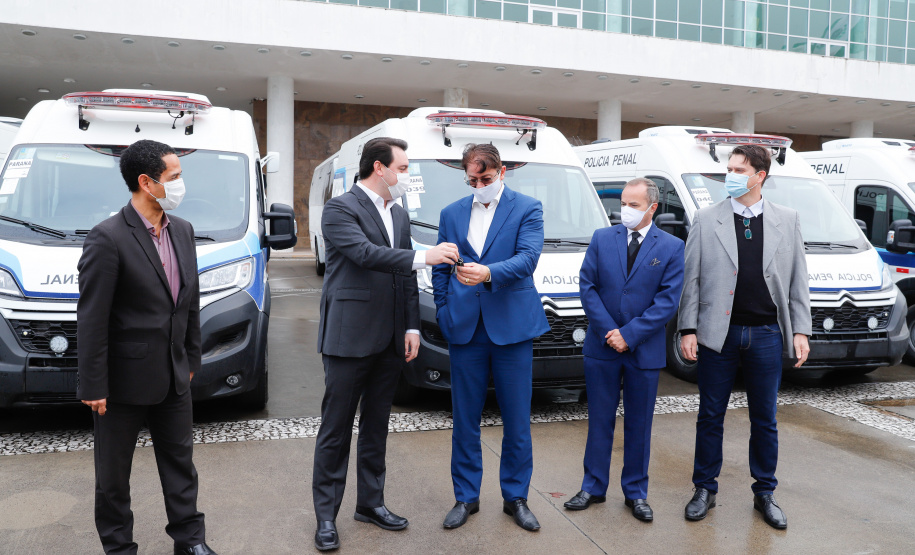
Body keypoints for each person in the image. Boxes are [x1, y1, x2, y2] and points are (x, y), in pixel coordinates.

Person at [312, 137, 459, 551]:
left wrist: (412, 326)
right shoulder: (341, 208)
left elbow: (405, 276)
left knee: (376, 427)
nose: (406, 176)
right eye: (404, 168)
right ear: (379, 168)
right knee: (336, 430)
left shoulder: (398, 213)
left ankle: (371, 504)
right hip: (349, 337)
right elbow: (363, 253)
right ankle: (326, 516)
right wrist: (425, 257)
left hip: (392, 338)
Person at [77, 139, 217, 555]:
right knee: (114, 476)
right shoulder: (108, 238)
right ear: (146, 182)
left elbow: (188, 303)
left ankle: (190, 541)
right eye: (174, 177)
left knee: (180, 466)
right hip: (121, 384)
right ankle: (119, 548)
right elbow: (92, 318)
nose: (180, 184)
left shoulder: (184, 231)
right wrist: (93, 385)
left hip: (174, 376)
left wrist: (191, 358)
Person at [678, 144, 811, 530]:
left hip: (767, 334)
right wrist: (688, 328)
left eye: (738, 170)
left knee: (765, 419)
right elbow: (693, 280)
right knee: (710, 415)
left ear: (760, 176)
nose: (730, 176)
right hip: (718, 335)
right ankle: (704, 489)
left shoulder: (788, 219)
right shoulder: (706, 219)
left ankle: (765, 492)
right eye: (728, 169)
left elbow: (798, 280)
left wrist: (800, 330)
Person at [432, 143, 550, 532]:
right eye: (471, 180)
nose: (478, 185)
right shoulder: (451, 213)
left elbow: (529, 258)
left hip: (512, 327)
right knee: (465, 418)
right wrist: (445, 310)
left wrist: (488, 273)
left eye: (484, 178)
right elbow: (441, 268)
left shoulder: (527, 208)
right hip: (464, 326)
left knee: (517, 418)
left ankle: (515, 497)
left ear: (502, 171)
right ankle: (466, 496)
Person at [565, 178, 684, 522]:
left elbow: (667, 302)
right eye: (624, 203)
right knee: (599, 420)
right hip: (602, 347)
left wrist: (629, 335)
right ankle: (593, 486)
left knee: (639, 424)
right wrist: (609, 332)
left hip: (643, 352)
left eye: (634, 205)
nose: (625, 211)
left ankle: (636, 492)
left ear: (652, 208)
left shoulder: (673, 247)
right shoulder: (603, 239)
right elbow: (587, 287)